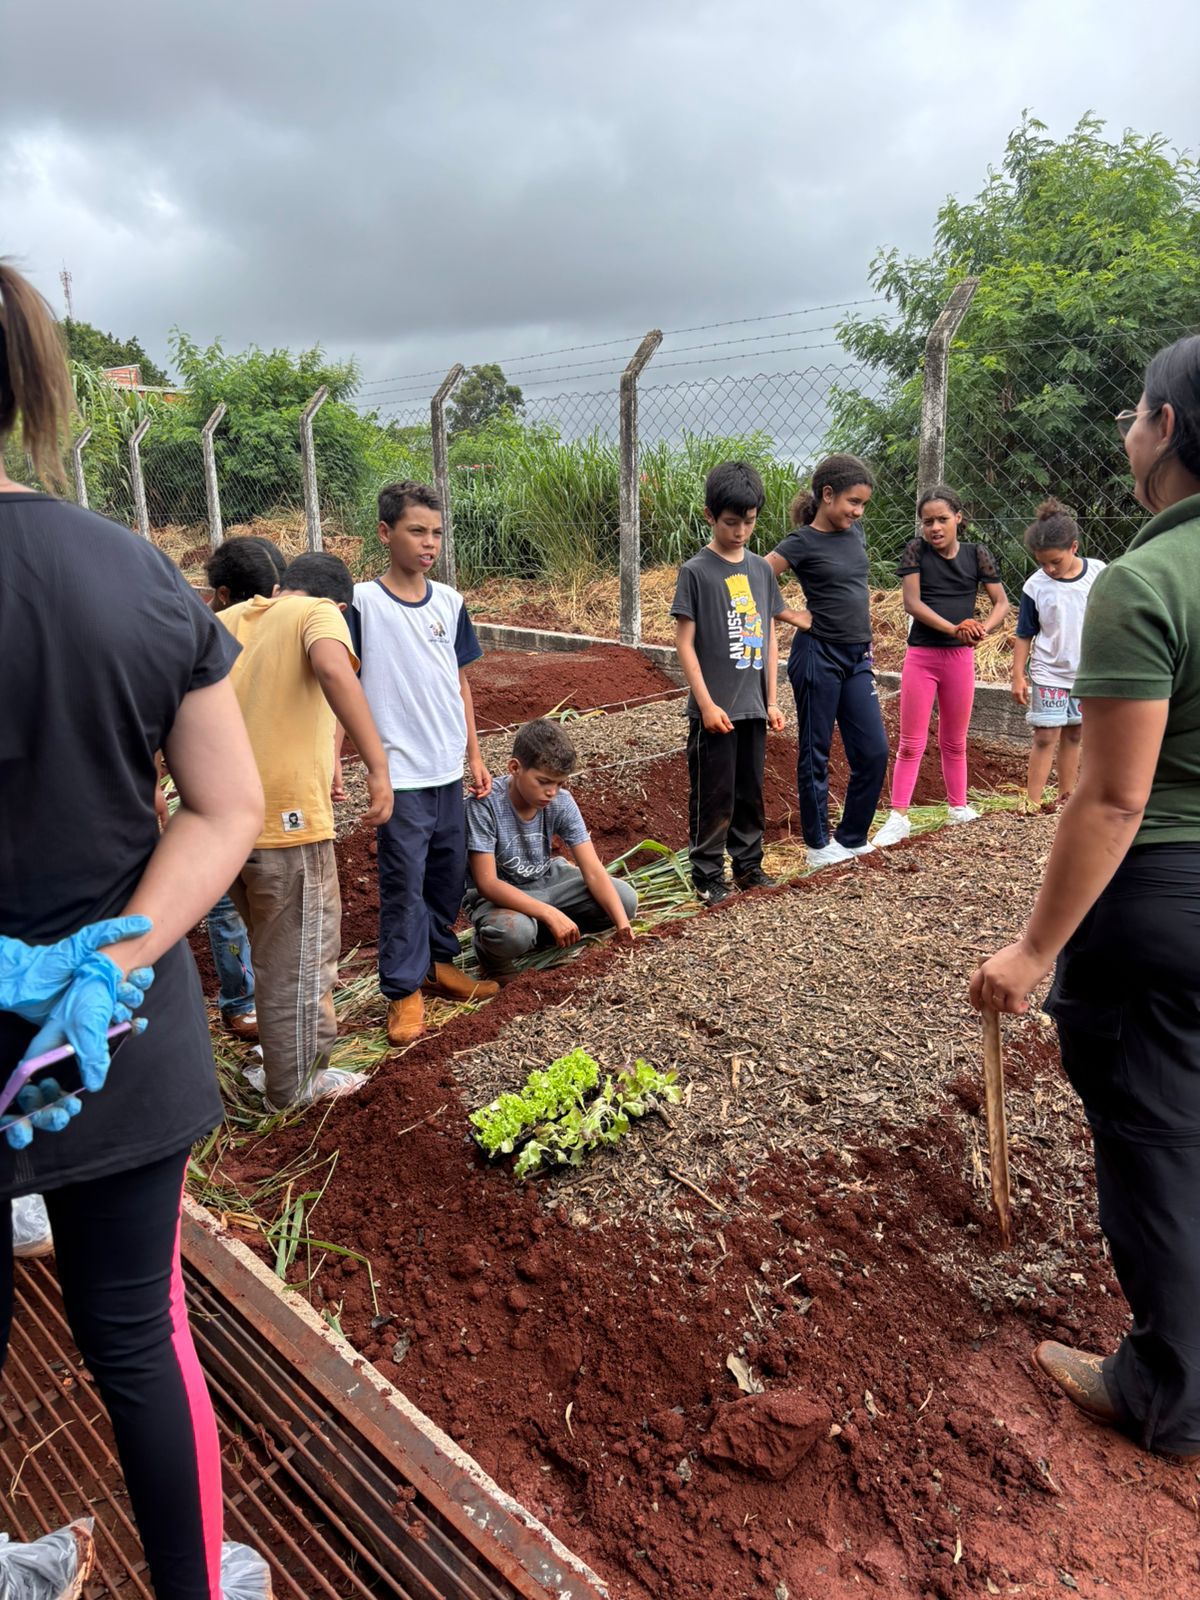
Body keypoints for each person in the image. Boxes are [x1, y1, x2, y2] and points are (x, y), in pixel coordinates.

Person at [0, 259, 270, 1596]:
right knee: (135, 1330)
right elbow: (227, 808)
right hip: (110, 1043)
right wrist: (115, 954)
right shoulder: (132, 577)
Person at [971, 333, 1200, 1461]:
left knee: (1156, 1135)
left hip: (1165, 899)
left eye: (1136, 412)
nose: (1128, 429)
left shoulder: (1147, 582)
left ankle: (1168, 1390)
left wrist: (1031, 952)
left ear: (1165, 430)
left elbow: (1110, 801)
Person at [220, 553, 393, 1110]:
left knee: (271, 955)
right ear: (342, 606)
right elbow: (332, 669)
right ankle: (295, 1093)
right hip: (288, 826)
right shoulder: (320, 614)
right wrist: (378, 766)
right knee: (303, 961)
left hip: (228, 829)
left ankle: (279, 1064)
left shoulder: (233, 619)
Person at [349, 481, 497, 1049]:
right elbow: (345, 679)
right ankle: (403, 991)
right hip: (401, 775)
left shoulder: (450, 603)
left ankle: (437, 966)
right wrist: (346, 759)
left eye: (436, 532)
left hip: (447, 770)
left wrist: (475, 753)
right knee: (403, 884)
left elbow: (460, 682)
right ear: (386, 534)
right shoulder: (363, 603)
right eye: (416, 531)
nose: (429, 543)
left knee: (445, 875)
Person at [765, 454, 890, 870]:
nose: (858, 512)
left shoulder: (856, 534)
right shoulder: (801, 542)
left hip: (857, 657)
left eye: (864, 506)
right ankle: (819, 845)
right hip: (818, 655)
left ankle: (852, 836)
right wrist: (790, 614)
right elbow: (754, 577)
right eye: (853, 502)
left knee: (873, 751)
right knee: (816, 751)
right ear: (827, 494)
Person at [671, 461, 787, 902]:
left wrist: (772, 699)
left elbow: (771, 634)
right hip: (715, 711)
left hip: (754, 706)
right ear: (710, 516)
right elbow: (684, 643)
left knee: (749, 792)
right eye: (731, 522)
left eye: (749, 522)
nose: (740, 532)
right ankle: (706, 876)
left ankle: (748, 866)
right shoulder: (696, 571)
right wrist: (704, 704)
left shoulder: (760, 569)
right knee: (713, 795)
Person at [873, 487, 1009, 847]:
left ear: (959, 518)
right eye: (927, 521)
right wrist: (955, 628)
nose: (934, 527)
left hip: (960, 659)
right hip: (922, 657)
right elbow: (912, 604)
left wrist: (982, 629)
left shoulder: (976, 554)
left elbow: (1001, 603)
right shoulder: (916, 551)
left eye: (942, 519)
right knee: (910, 742)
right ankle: (898, 816)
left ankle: (958, 808)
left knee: (955, 740)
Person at [200, 537, 289, 1043]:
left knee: (261, 898)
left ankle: (268, 994)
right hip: (219, 790)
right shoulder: (204, 636)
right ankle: (239, 1000)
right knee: (228, 904)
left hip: (263, 786)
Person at [465, 719, 638, 972]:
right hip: (501, 897)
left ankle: (543, 934)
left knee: (625, 901)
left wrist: (624, 930)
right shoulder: (484, 804)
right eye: (543, 781)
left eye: (559, 784)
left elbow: (592, 871)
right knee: (512, 933)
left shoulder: (561, 802)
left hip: (548, 880)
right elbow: (487, 884)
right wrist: (548, 913)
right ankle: (493, 959)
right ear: (515, 767)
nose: (552, 792)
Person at [1010, 500, 1106, 809]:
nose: (1049, 569)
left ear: (1074, 547)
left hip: (1086, 673)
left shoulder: (1098, 574)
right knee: (1045, 735)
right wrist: (1018, 675)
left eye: (1055, 561)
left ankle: (1067, 798)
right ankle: (1033, 801)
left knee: (1076, 733)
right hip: (1049, 671)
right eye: (1043, 563)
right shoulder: (1035, 586)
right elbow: (1025, 633)